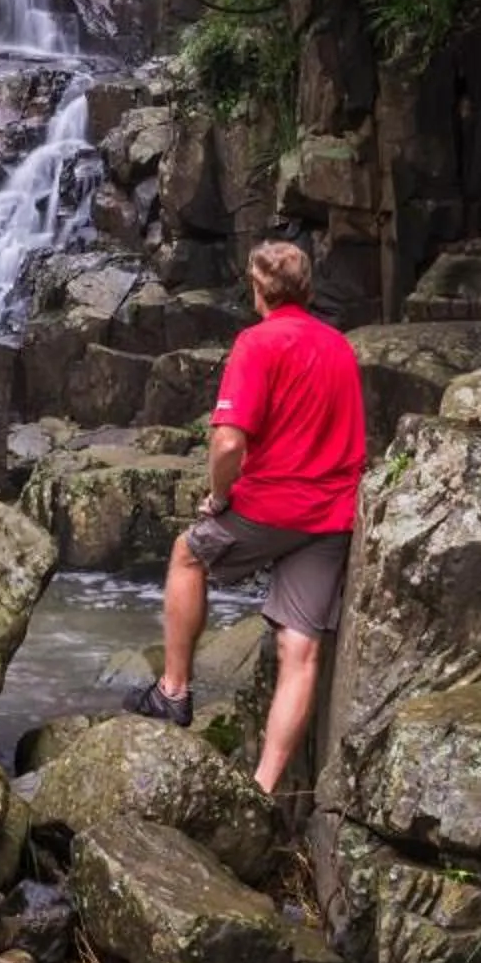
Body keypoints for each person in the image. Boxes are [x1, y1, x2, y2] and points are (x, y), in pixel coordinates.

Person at [123, 238, 364, 797]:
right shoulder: (338, 347)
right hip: (331, 515)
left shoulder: (258, 343)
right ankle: (262, 788)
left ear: (258, 289)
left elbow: (229, 442)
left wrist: (219, 495)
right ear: (306, 288)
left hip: (271, 506)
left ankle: (174, 690)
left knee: (188, 555)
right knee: (300, 651)